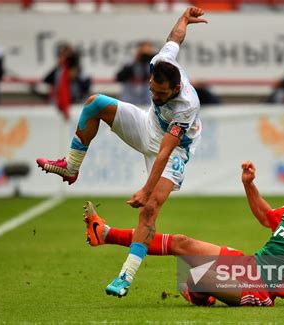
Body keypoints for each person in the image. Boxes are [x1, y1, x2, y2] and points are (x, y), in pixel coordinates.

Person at [36, 7, 208, 297]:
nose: (154, 95)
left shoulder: (186, 106)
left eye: (161, 94)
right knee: (94, 103)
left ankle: (125, 277)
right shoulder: (161, 62)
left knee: (150, 209)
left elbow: (165, 151)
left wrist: (146, 188)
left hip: (174, 150)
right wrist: (184, 19)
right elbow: (175, 38)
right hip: (147, 125)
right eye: (152, 89)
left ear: (176, 87)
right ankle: (71, 166)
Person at [82, 160, 284, 308]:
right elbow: (265, 216)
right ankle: (105, 233)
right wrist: (248, 183)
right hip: (248, 264)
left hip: (264, 284)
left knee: (195, 281)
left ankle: (232, 295)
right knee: (181, 242)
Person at [42, 43, 92, 120]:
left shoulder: (80, 74)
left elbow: (87, 85)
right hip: (61, 105)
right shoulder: (59, 72)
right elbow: (46, 80)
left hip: (76, 105)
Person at [115, 41, 156, 106]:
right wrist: (136, 60)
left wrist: (152, 59)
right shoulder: (129, 64)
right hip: (129, 101)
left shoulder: (154, 65)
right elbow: (118, 78)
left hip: (147, 102)